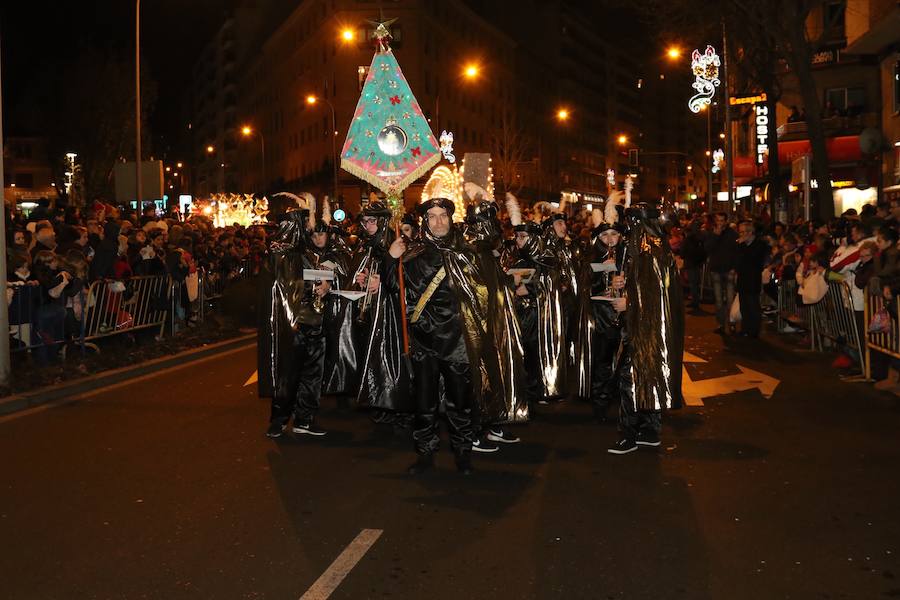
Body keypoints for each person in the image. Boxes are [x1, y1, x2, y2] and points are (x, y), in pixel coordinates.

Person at [385, 196, 508, 475]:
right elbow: (394, 288)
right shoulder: (412, 251)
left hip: (458, 338)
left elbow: (491, 238)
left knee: (460, 402)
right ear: (424, 221)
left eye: (443, 215)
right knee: (424, 402)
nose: (438, 221)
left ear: (451, 218)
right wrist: (391, 259)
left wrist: (484, 206)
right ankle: (425, 454)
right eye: (432, 216)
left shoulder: (467, 248)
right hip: (423, 338)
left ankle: (463, 453)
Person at [608, 201, 684, 455]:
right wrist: (622, 282)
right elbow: (644, 285)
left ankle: (628, 434)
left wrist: (627, 303)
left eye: (632, 223)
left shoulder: (650, 249)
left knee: (631, 378)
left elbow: (652, 295)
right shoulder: (650, 248)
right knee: (647, 377)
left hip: (645, 328)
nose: (628, 228)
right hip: (646, 327)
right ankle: (649, 430)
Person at [258, 207, 331, 439]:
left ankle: (304, 419)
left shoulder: (306, 253)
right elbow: (285, 287)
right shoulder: (279, 254)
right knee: (287, 375)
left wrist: (325, 285)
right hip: (294, 325)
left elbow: (315, 277)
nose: (309, 228)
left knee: (312, 375)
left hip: (314, 321)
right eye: (305, 223)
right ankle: (279, 420)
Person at [704, 212, 738, 334]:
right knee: (718, 301)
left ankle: (731, 323)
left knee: (730, 300)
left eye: (722, 220)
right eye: (718, 220)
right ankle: (721, 324)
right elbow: (707, 248)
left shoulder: (732, 234)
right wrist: (715, 236)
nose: (720, 223)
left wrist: (734, 268)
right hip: (716, 270)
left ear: (726, 221)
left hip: (728, 269)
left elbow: (736, 251)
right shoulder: (711, 234)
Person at [734, 220, 768, 338]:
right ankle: (745, 328)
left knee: (752, 305)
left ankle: (754, 330)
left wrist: (743, 247)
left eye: (743, 232)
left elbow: (753, 259)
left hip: (753, 279)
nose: (741, 235)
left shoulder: (760, 245)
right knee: (744, 305)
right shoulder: (741, 245)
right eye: (740, 232)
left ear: (750, 232)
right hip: (742, 278)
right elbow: (737, 260)